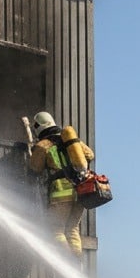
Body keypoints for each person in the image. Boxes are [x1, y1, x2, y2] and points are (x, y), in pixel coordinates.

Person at [27, 111, 94, 260]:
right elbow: (90, 155)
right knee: (72, 229)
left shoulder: (43, 145)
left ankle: (65, 261)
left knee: (56, 229)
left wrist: (34, 153)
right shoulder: (70, 141)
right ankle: (77, 261)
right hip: (79, 190)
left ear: (38, 127)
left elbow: (35, 168)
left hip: (60, 193)